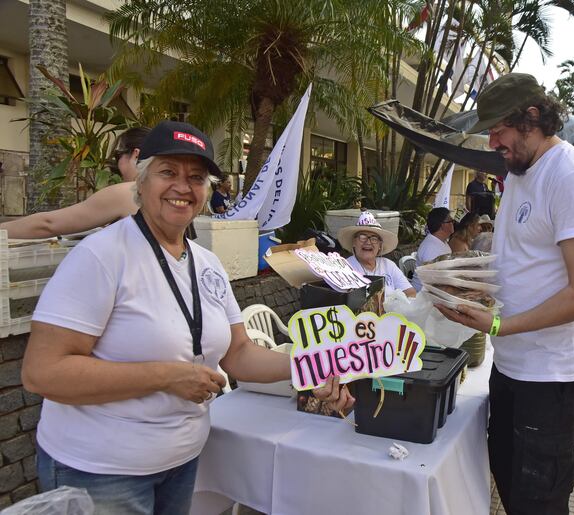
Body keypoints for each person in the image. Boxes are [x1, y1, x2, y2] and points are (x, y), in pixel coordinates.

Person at [21, 120, 352, 514]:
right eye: (168, 172)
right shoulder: (100, 256)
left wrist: (308, 368)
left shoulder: (207, 263)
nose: (183, 186)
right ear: (140, 182)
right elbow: (43, 373)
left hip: (180, 464)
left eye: (196, 177)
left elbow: (239, 354)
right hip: (100, 472)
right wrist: (168, 376)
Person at [435, 72, 574, 514]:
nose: (493, 141)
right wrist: (471, 284)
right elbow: (519, 257)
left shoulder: (570, 175)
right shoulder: (518, 173)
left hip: (555, 375)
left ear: (532, 117)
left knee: (539, 499)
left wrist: (500, 324)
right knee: (509, 482)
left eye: (499, 130)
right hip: (514, 363)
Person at [0, 127, 150, 239]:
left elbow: (47, 224)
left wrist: (2, 229)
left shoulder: (128, 192)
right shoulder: (162, 197)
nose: (115, 165)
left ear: (135, 155)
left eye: (118, 156)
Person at [339, 211, 416, 298]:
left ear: (380, 245)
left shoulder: (388, 265)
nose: (368, 242)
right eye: (362, 237)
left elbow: (411, 293)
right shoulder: (345, 268)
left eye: (374, 238)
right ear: (354, 242)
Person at [412, 207, 454, 291]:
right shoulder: (430, 248)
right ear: (442, 225)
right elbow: (433, 280)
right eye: (450, 221)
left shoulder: (441, 241)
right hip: (424, 295)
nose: (453, 223)